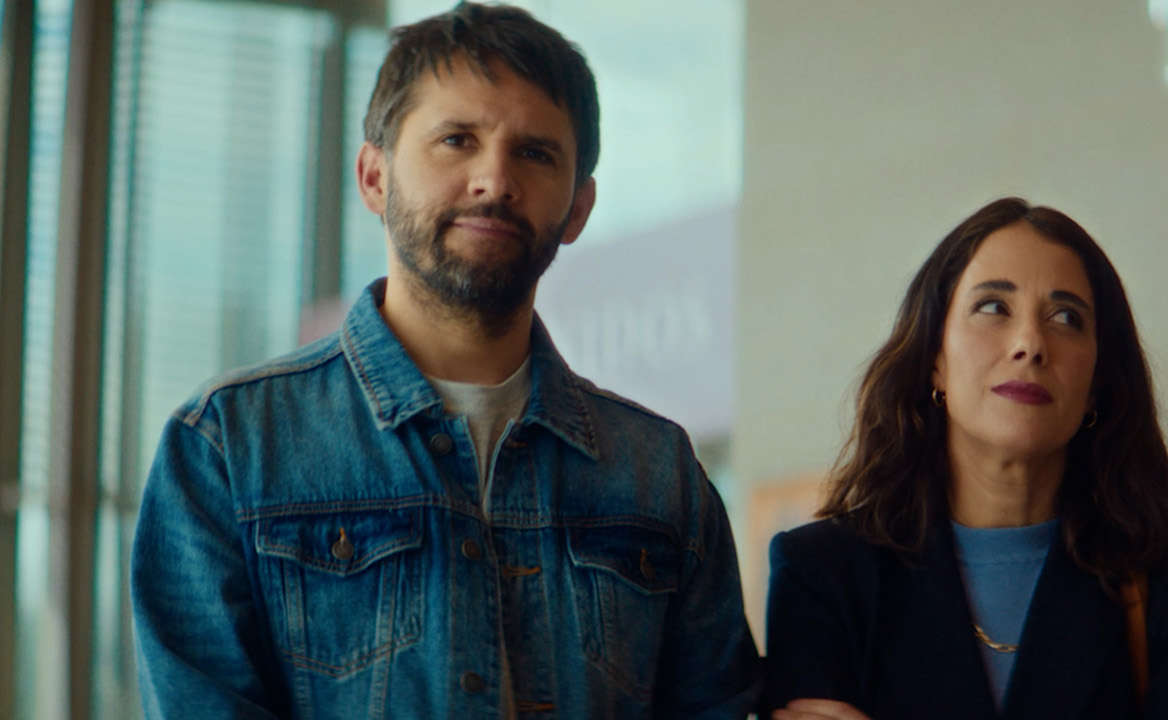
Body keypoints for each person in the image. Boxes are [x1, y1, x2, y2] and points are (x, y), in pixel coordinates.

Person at [130, 3, 760, 717]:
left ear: (579, 208)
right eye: (457, 140)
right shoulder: (230, 447)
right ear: (374, 177)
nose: (494, 179)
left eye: (535, 153)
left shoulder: (659, 473)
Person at [761, 198, 1168, 720]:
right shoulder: (822, 573)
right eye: (994, 307)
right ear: (935, 359)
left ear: (1096, 385)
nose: (1030, 344)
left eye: (1066, 317)